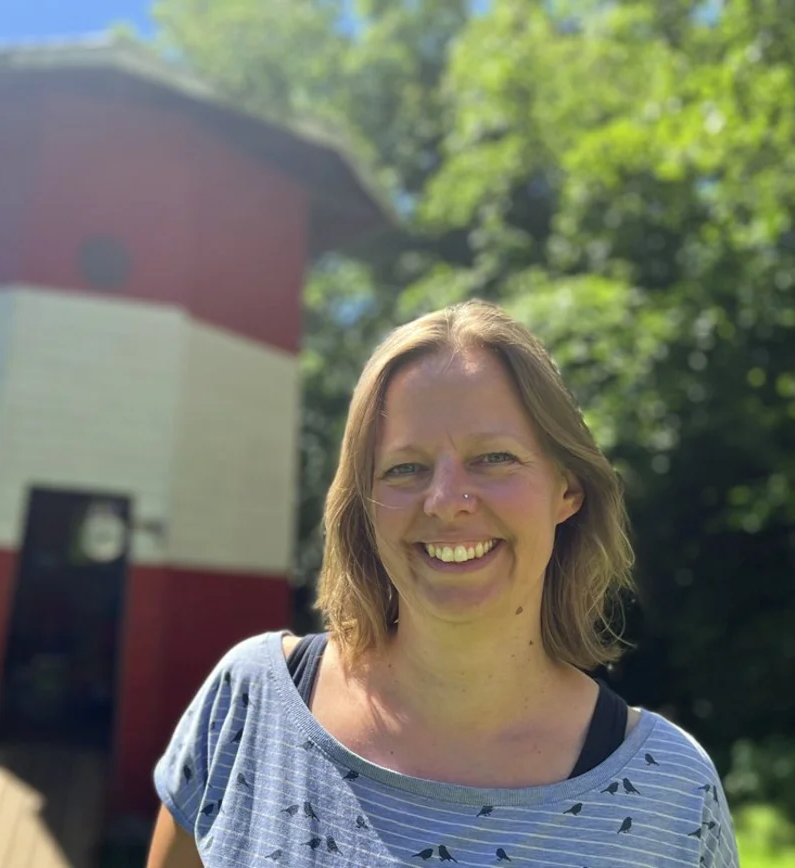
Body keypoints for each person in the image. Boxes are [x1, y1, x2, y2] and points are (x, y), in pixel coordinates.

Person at [146, 301, 739, 868]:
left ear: (568, 490)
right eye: (405, 468)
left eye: (494, 458)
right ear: (365, 507)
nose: (446, 500)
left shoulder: (671, 791)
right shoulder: (249, 705)